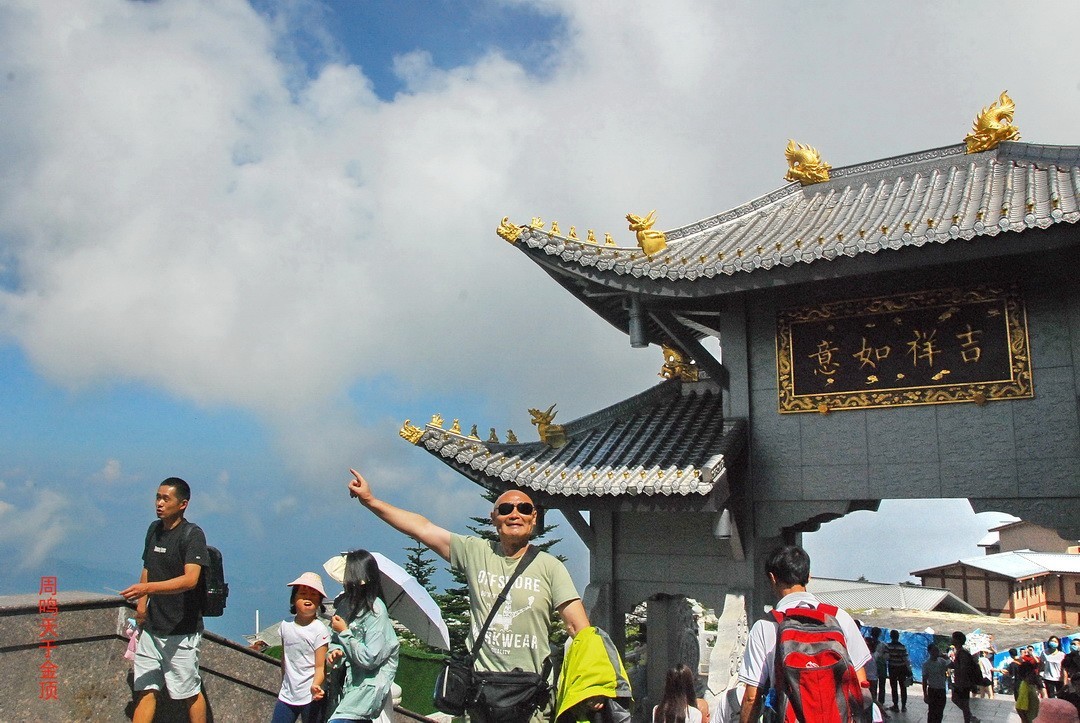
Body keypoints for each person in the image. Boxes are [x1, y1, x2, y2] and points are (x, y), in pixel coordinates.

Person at [345, 468, 589, 722]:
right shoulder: (475, 552)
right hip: (481, 694)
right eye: (505, 509)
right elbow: (422, 528)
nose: (515, 514)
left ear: (534, 517)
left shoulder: (550, 567)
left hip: (530, 698)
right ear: (493, 518)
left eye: (524, 509)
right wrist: (371, 501)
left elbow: (578, 627)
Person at [737, 545, 871, 723]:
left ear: (772, 578)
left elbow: (751, 697)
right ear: (808, 576)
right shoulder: (839, 618)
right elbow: (861, 683)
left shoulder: (765, 626)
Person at [121, 477, 209, 723]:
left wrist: (147, 588)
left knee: (189, 692)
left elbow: (190, 579)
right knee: (145, 689)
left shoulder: (192, 535)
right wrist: (141, 606)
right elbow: (148, 566)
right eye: (157, 497)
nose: (159, 503)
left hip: (182, 631)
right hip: (152, 628)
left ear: (183, 504)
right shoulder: (154, 530)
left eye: (165, 498)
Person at [324, 549, 400, 723]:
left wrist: (344, 632)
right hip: (345, 688)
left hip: (366, 691)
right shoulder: (346, 605)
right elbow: (334, 642)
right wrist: (335, 653)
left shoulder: (376, 611)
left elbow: (370, 658)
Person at [271, 572, 331, 723]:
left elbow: (320, 667)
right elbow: (285, 658)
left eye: (313, 595)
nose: (308, 598)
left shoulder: (319, 630)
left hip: (311, 696)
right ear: (294, 599)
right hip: (287, 694)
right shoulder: (285, 625)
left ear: (319, 602)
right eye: (303, 594)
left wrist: (316, 685)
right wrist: (284, 681)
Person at [946, 631, 979, 723]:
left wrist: (961, 683)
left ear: (957, 640)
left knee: (964, 704)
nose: (951, 639)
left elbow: (963, 669)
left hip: (963, 683)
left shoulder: (962, 653)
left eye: (953, 638)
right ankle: (971, 717)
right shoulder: (959, 652)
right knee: (958, 701)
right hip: (961, 682)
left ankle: (969, 719)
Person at [922, 644, 949, 723]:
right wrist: (925, 694)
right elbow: (924, 680)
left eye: (937, 650)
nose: (936, 652)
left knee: (940, 711)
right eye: (934, 650)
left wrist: (946, 658)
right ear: (930, 652)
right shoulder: (926, 664)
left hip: (942, 689)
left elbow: (951, 665)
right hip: (933, 689)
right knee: (932, 711)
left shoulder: (942, 661)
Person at [885, 630, 910, 712]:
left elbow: (887, 658)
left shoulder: (888, 646)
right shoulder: (902, 647)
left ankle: (895, 705)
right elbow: (906, 660)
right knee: (903, 687)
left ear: (891, 636)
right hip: (902, 668)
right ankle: (904, 706)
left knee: (894, 687)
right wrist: (909, 669)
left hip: (892, 668)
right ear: (898, 636)